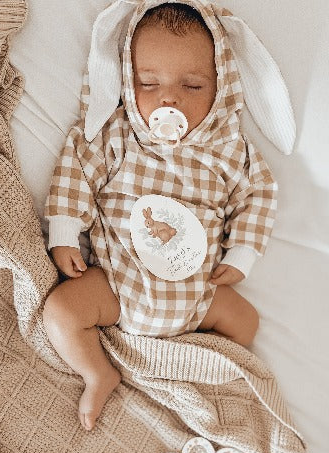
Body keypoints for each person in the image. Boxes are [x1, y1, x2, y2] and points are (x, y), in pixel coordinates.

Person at [43, 2, 277, 431]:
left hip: (197, 295)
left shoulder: (228, 150)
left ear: (221, 88)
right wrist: (64, 231)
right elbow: (76, 169)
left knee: (247, 323)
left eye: (191, 86)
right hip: (116, 284)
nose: (168, 98)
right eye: (149, 83)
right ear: (128, 85)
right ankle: (98, 372)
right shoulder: (115, 135)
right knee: (61, 312)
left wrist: (241, 254)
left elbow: (258, 195)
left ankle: (179, 367)